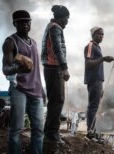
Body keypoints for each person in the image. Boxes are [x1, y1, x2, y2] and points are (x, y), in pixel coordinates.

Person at [2, 10, 44, 154]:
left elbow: (37, 71)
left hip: (36, 91)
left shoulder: (34, 42)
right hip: (19, 89)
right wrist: (18, 69)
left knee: (38, 130)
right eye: (21, 22)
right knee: (16, 130)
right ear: (15, 24)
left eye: (28, 22)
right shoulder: (10, 42)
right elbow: (6, 69)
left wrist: (42, 90)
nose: (25, 24)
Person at [41, 5, 70, 144]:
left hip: (51, 68)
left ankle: (50, 131)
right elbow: (57, 48)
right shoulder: (55, 28)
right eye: (66, 18)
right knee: (57, 100)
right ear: (60, 18)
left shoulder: (51, 26)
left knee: (54, 100)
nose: (67, 21)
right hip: (54, 68)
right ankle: (52, 133)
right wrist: (64, 68)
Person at [84, 26, 114, 139]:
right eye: (99, 34)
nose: (101, 36)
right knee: (93, 106)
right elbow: (88, 63)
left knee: (95, 106)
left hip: (98, 80)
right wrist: (103, 59)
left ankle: (93, 130)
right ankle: (90, 132)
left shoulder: (98, 47)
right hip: (94, 79)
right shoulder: (90, 46)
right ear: (93, 35)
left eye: (103, 34)